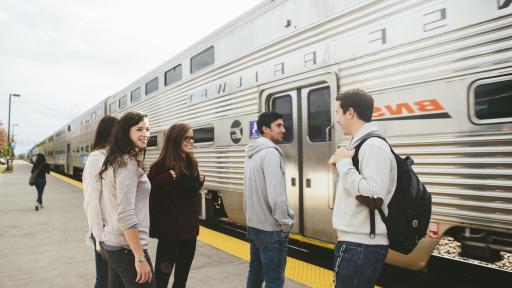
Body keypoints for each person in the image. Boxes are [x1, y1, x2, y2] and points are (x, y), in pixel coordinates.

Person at [328, 89, 397, 288]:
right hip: (356, 243)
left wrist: (344, 165)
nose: (337, 120)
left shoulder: (373, 145)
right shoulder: (359, 144)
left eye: (338, 113)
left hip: (361, 246)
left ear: (350, 112)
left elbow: (374, 195)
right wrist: (340, 166)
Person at [98, 111, 155, 288]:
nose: (145, 134)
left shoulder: (115, 160)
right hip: (127, 248)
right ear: (126, 132)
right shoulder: (127, 163)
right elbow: (125, 213)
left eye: (147, 129)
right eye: (139, 129)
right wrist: (139, 256)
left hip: (114, 243)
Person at [147, 123, 204, 288]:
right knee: (162, 281)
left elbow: (188, 194)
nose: (190, 141)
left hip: (190, 233)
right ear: (175, 139)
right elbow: (147, 191)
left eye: (192, 138)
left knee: (181, 280)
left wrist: (200, 182)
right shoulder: (161, 165)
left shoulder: (192, 162)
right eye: (186, 138)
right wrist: (165, 177)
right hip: (169, 235)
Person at [244, 111, 295, 288]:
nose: (283, 129)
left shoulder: (252, 152)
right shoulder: (272, 154)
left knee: (255, 275)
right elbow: (276, 196)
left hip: (255, 226)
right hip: (271, 229)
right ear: (265, 129)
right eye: (278, 126)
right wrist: (285, 221)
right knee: (274, 280)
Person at [83, 115, 118, 288]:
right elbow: (91, 200)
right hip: (103, 229)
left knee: (113, 280)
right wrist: (98, 237)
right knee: (104, 280)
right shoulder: (96, 158)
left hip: (114, 228)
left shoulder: (113, 156)